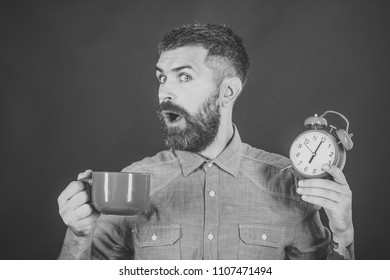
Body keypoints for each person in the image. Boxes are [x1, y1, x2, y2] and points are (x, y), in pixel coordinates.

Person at [57, 23, 354, 260]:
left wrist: (343, 233)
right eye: (162, 78)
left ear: (227, 92)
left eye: (184, 77)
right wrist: (78, 236)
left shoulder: (288, 186)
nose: (165, 93)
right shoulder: (133, 184)